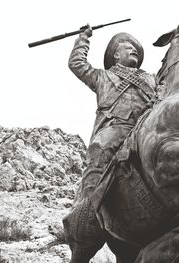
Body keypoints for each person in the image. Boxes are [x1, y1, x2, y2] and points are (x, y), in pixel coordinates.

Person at [68, 25, 157, 202]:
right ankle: (89, 206)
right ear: (116, 55)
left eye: (135, 49)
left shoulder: (151, 78)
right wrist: (83, 38)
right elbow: (77, 64)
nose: (134, 50)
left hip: (149, 127)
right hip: (116, 127)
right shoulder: (102, 76)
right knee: (99, 151)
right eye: (128, 47)